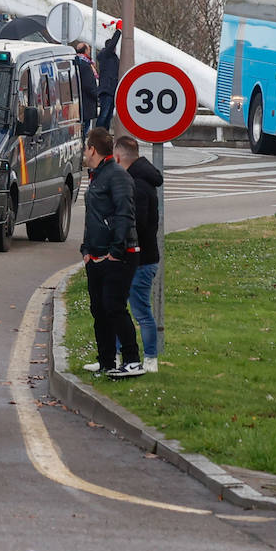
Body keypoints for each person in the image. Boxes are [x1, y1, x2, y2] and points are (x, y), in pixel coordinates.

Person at [79, 126, 143, 378]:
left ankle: (132, 359)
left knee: (114, 306)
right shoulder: (97, 175)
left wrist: (116, 251)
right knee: (99, 310)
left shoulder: (116, 175)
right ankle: (106, 360)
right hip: (96, 255)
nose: (84, 152)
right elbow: (92, 217)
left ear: (92, 149)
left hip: (119, 254)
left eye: (86, 147)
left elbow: (124, 213)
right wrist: (86, 249)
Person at [114, 134, 162, 373]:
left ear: (119, 156)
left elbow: (139, 224)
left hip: (141, 260)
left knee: (141, 310)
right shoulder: (140, 180)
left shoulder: (138, 185)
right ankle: (118, 355)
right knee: (119, 308)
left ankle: (151, 358)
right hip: (136, 258)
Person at [95, 22, 122, 129]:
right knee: (104, 114)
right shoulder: (106, 55)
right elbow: (112, 44)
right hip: (107, 89)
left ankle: (103, 133)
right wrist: (118, 31)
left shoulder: (111, 58)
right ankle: (99, 133)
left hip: (111, 90)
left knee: (108, 115)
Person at [73, 42, 99, 129]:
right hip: (86, 102)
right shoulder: (85, 64)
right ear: (85, 51)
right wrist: (96, 96)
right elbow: (89, 85)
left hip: (79, 102)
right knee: (84, 128)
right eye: (89, 49)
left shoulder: (75, 61)